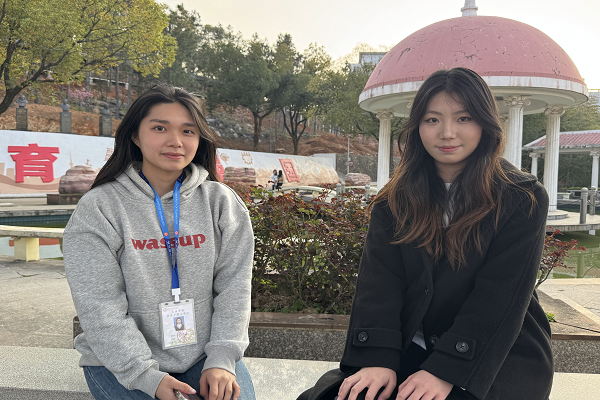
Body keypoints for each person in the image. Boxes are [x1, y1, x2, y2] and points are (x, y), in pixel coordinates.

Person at [298, 67, 552, 400]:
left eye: (464, 118)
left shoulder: (521, 197)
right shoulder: (394, 200)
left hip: (494, 352)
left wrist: (445, 370)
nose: (447, 133)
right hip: (411, 343)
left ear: (486, 123)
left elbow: (499, 296)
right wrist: (378, 358)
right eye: (432, 120)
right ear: (417, 126)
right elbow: (380, 283)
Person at [63, 84, 256, 400]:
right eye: (160, 128)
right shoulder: (100, 208)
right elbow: (99, 305)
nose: (176, 141)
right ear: (135, 136)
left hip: (203, 356)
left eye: (188, 131)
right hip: (119, 363)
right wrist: (146, 376)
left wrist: (222, 358)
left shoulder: (221, 203)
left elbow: (234, 288)